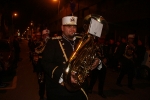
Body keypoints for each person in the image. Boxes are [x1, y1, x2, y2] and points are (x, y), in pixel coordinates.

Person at [41, 15, 100, 100]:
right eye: (69, 26)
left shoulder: (82, 40)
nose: (73, 29)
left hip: (80, 88)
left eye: (74, 27)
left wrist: (97, 60)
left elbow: (92, 53)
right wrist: (65, 76)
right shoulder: (53, 42)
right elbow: (45, 63)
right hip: (60, 90)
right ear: (62, 28)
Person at [34, 28, 50, 100]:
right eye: (44, 35)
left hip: (49, 67)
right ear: (42, 36)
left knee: (50, 84)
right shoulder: (40, 43)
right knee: (41, 83)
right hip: (41, 67)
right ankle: (41, 96)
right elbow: (36, 51)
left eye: (47, 35)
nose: (46, 36)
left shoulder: (52, 43)